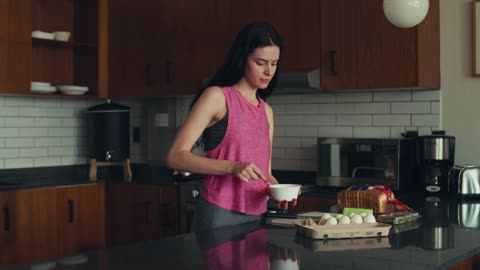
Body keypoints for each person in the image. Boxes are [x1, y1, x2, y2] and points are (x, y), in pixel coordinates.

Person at [166, 22, 289, 231]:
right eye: (261, 62)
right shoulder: (217, 97)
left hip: (257, 214)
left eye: (274, 63)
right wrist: (232, 167)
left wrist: (278, 192)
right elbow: (175, 156)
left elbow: (265, 173)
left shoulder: (266, 111)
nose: (269, 71)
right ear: (243, 59)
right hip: (220, 214)